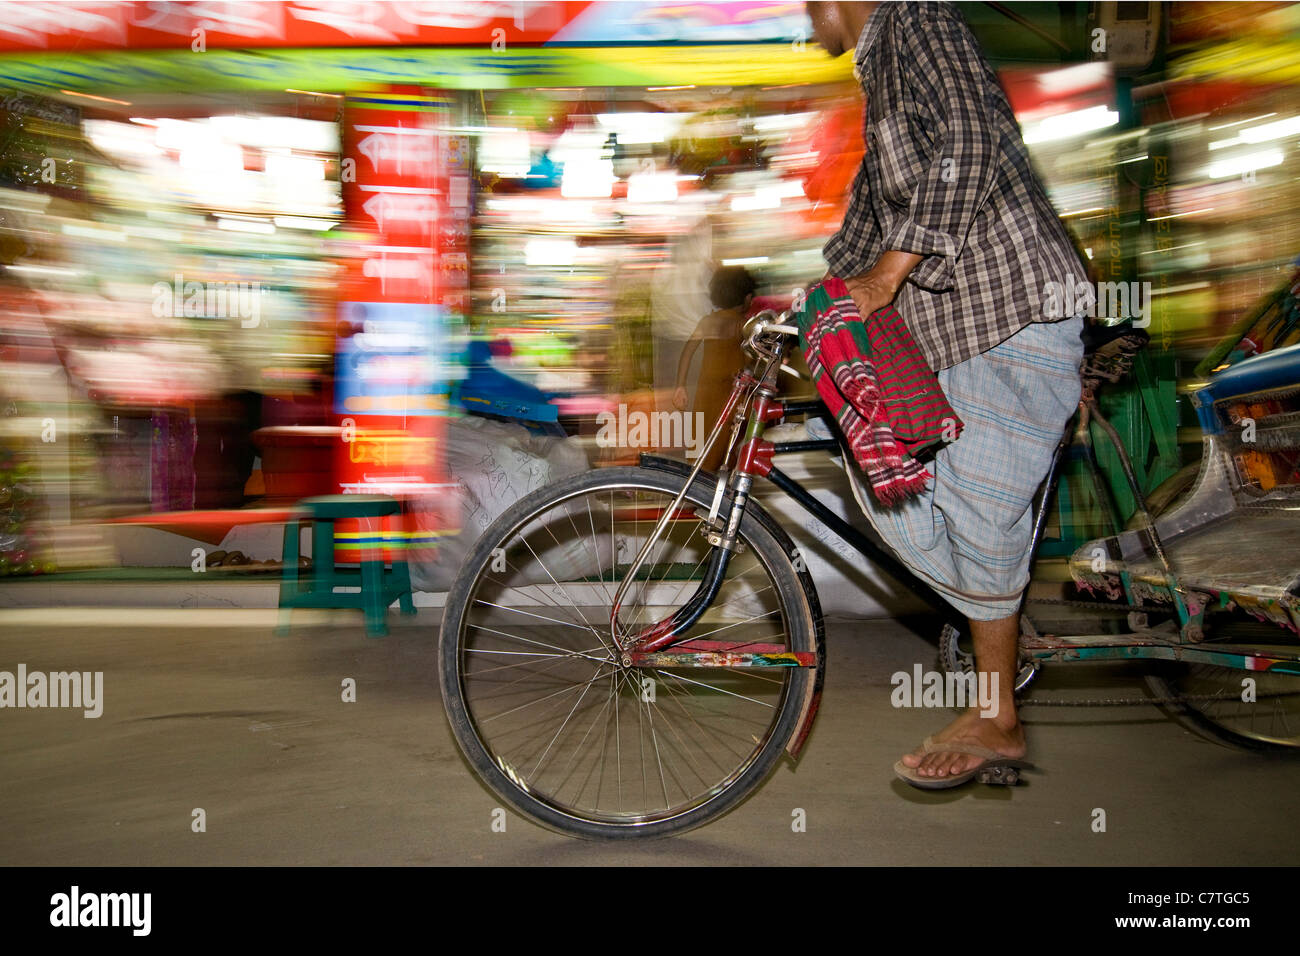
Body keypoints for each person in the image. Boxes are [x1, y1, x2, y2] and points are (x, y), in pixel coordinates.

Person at [806, 1, 1087, 787]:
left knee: (978, 508)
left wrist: (888, 275)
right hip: (969, 330)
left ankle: (998, 717)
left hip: (1012, 310)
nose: (806, 19)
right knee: (911, 492)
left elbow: (970, 136)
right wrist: (812, 304)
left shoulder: (918, 17)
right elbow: (862, 230)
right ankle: (996, 631)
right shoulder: (882, 69)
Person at [672, 265, 756, 471]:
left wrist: (680, 386)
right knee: (728, 449)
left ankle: (696, 490)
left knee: (701, 448)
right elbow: (751, 362)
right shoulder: (744, 325)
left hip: (706, 393)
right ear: (747, 298)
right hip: (734, 395)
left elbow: (687, 352)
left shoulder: (708, 321)